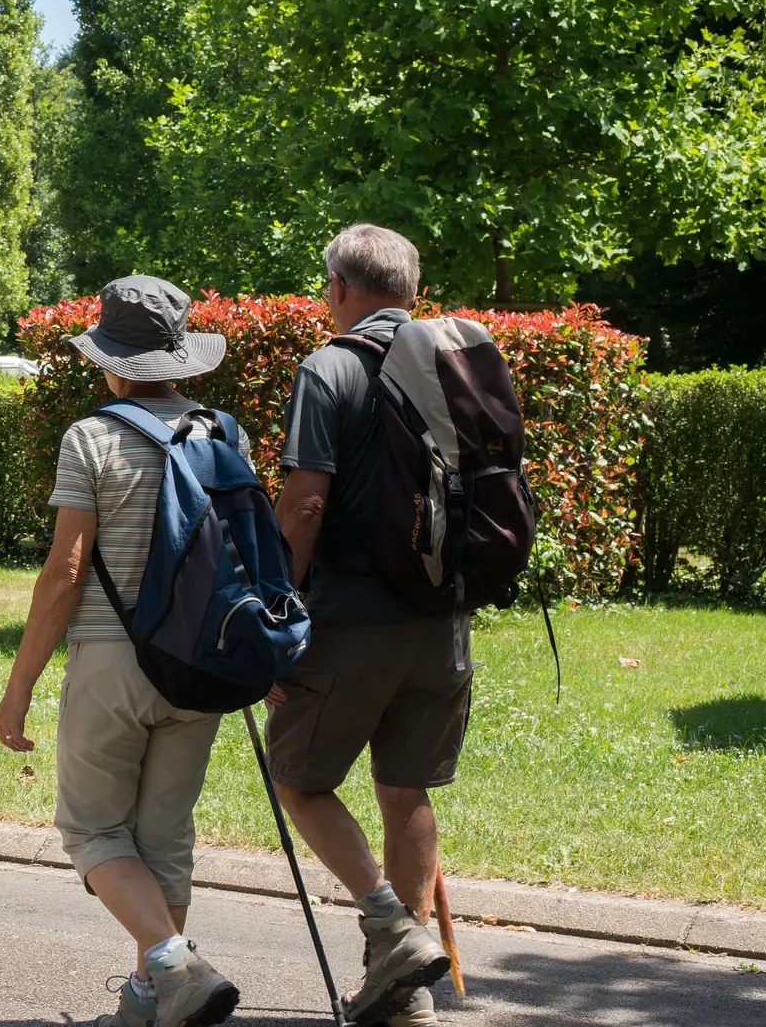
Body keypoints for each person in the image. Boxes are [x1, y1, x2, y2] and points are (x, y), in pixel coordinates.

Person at [0, 275, 246, 1027]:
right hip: (199, 663)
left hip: (112, 659)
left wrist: (20, 687)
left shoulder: (92, 438)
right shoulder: (223, 433)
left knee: (92, 830)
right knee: (165, 840)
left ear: (111, 361)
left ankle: (175, 966)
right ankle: (149, 1003)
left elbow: (66, 572)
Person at [267, 224, 463, 1026]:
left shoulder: (332, 366)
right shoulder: (455, 362)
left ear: (342, 287)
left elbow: (306, 503)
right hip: (445, 618)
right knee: (403, 786)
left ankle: (393, 931)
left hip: (355, 617)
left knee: (298, 780)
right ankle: (403, 995)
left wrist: (278, 609)